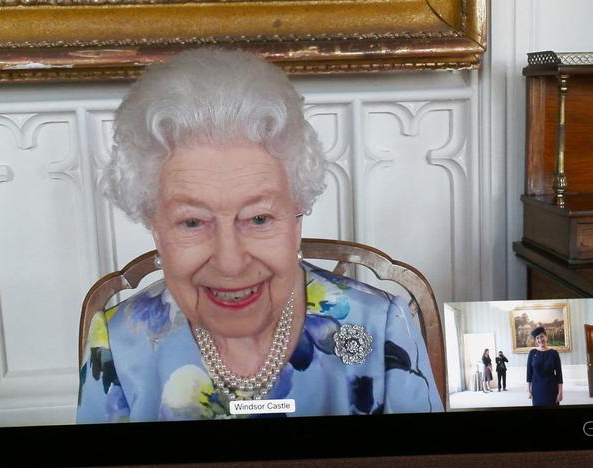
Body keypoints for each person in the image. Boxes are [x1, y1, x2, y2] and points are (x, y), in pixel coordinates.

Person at [76, 47, 443, 423]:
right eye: (192, 222)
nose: (231, 264)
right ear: (154, 227)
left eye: (258, 218)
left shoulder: (378, 328)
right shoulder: (119, 346)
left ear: (296, 218)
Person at [527, 326, 563, 406]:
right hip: (537, 388)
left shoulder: (554, 353)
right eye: (537, 338)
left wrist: (560, 392)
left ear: (546, 337)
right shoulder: (532, 353)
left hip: (551, 388)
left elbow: (559, 374)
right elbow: (529, 373)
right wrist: (528, 390)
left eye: (542, 336)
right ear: (536, 340)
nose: (540, 340)